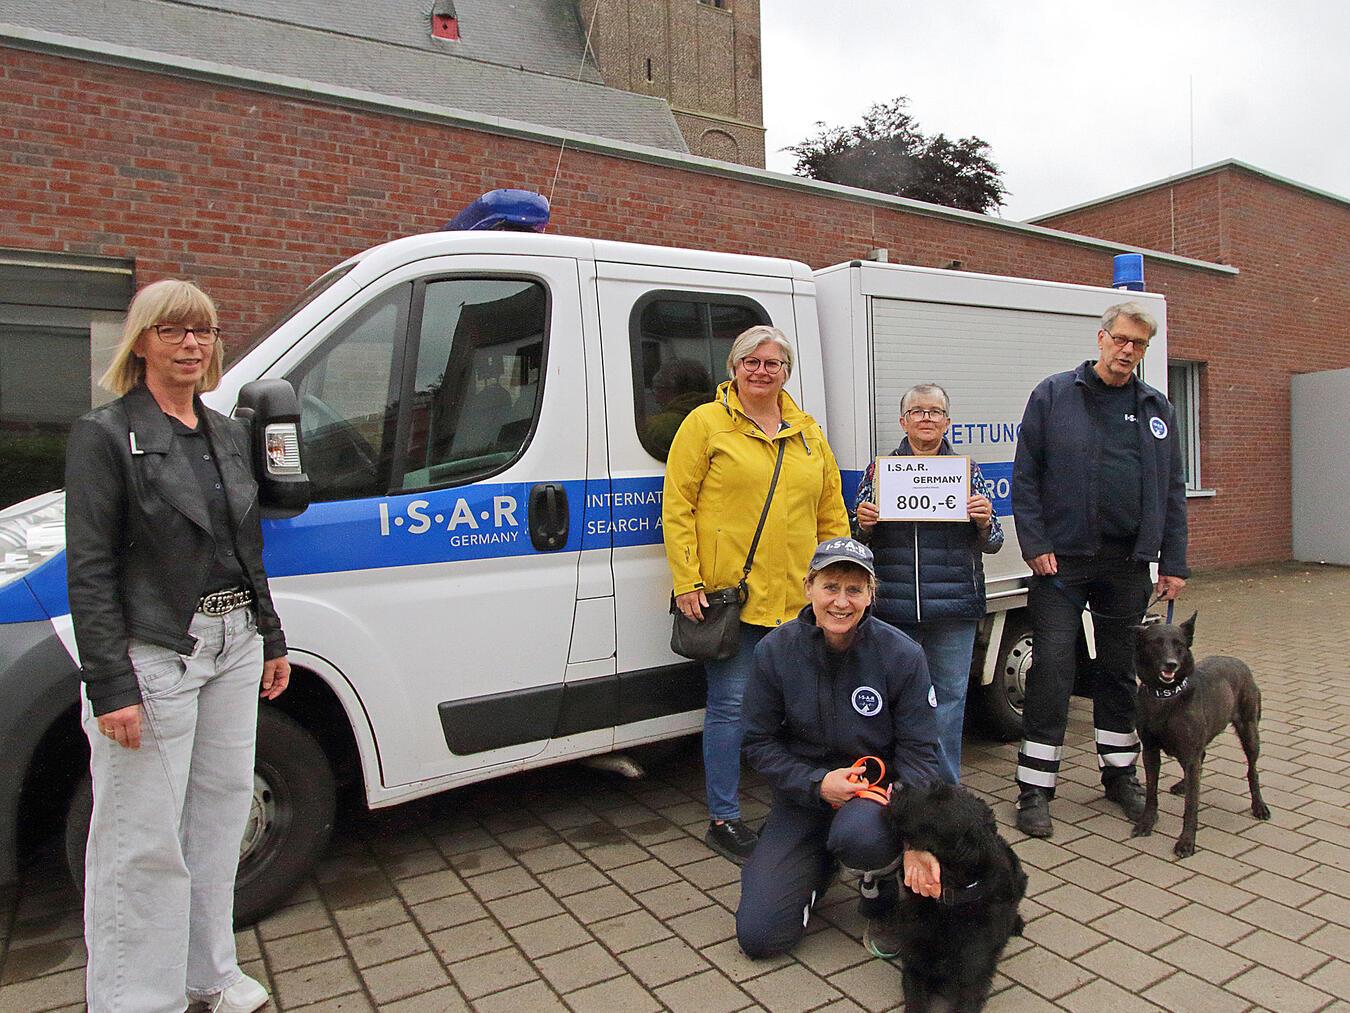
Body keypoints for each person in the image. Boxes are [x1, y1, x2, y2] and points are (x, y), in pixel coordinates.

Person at [66, 279, 291, 1013]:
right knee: (140, 842)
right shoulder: (105, 434)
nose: (191, 344)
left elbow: (243, 546)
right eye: (173, 331)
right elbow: (90, 568)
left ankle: (211, 975)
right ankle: (135, 1000)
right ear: (142, 342)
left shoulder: (226, 432)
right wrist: (110, 683)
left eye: (202, 331)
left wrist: (271, 635)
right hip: (156, 651)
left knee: (219, 820)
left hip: (236, 645)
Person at [663, 324, 850, 863]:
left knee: (804, 711)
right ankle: (724, 817)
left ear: (786, 372)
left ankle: (804, 802)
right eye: (753, 362)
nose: (762, 371)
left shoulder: (808, 431)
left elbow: (830, 513)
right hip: (733, 599)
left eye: (773, 363)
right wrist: (688, 581)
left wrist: (836, 583)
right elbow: (677, 507)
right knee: (729, 709)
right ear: (734, 368)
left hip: (799, 599)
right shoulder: (705, 424)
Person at [1010, 302, 1188, 839]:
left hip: (1128, 563)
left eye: (1139, 345)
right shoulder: (1054, 395)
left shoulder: (1157, 409)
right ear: (1102, 338)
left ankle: (1119, 775)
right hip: (1061, 563)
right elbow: (1026, 477)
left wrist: (1173, 561)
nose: (1128, 351)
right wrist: (1035, 543)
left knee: (1116, 672)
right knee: (1055, 669)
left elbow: (1172, 490)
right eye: (1121, 340)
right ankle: (1035, 787)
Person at [737, 537, 942, 960]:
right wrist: (816, 784)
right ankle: (822, 863)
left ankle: (879, 887)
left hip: (875, 801)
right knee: (759, 938)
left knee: (860, 836)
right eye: (830, 587)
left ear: (871, 594)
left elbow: (922, 757)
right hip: (805, 798)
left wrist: (917, 835)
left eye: (854, 589)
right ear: (809, 587)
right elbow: (757, 743)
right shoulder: (773, 652)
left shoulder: (903, 655)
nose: (841, 602)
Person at [852, 383, 1004, 784]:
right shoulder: (880, 471)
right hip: (893, 609)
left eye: (935, 412)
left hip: (953, 609)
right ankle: (891, 784)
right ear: (903, 421)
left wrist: (985, 520)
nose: (926, 418)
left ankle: (945, 790)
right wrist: (863, 525)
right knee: (890, 702)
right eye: (917, 411)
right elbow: (857, 542)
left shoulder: (967, 472)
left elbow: (995, 541)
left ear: (947, 422)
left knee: (950, 704)